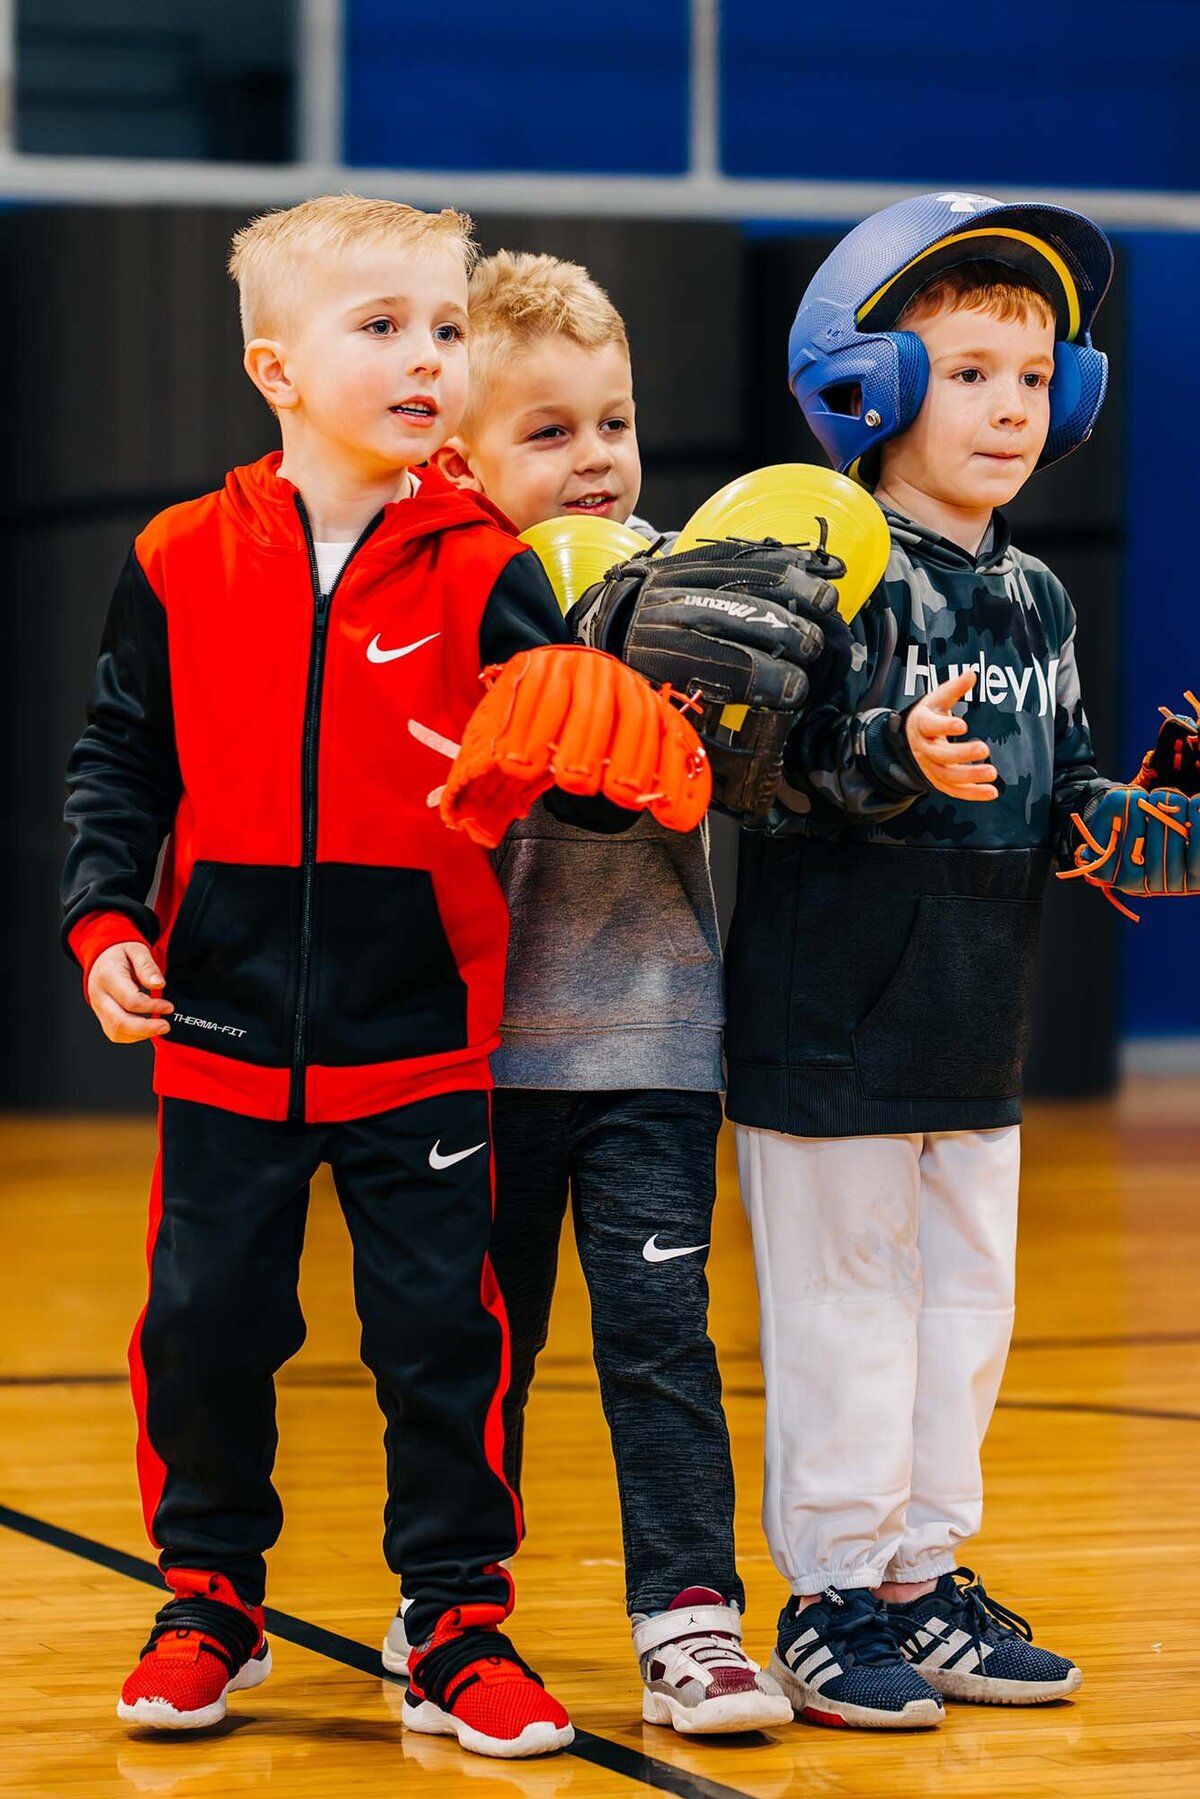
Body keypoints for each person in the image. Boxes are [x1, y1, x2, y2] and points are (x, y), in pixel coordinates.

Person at [57, 194, 666, 1760]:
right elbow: (120, 760)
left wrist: (618, 762)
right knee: (205, 1324)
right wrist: (104, 920)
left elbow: (563, 766)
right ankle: (207, 1600)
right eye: (384, 327)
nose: (429, 360)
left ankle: (458, 1623)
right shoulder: (180, 555)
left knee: (443, 1343)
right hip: (220, 1027)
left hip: (422, 1035)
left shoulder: (486, 568)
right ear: (276, 366)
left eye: (449, 331)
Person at [380, 249, 791, 1734]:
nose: (595, 458)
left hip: (652, 1044)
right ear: (457, 453)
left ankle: (691, 1620)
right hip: (466, 1058)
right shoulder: (422, 608)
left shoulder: (693, 587)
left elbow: (765, 776)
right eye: (547, 432)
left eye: (611, 421)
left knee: (660, 1343)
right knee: (476, 1355)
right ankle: (445, 1609)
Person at [725, 193, 1114, 1727]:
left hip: (973, 1018)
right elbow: (758, 766)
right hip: (828, 1028)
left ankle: (918, 1575)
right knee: (845, 1314)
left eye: (1034, 376)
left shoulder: (1037, 593)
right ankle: (828, 1593)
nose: (1010, 407)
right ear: (868, 385)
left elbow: (1060, 771)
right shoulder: (829, 563)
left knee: (965, 1311)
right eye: (967, 372)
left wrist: (1124, 815)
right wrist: (886, 752)